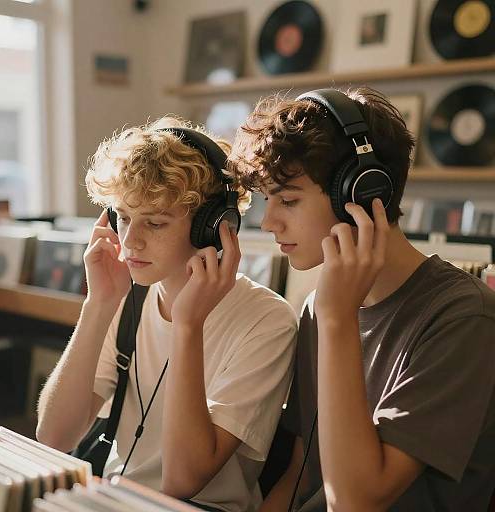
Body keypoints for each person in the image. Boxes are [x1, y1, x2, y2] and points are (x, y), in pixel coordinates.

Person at [228, 87, 495, 511]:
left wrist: (338, 320)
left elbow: (355, 501)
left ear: (362, 193)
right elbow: (301, 474)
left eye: (289, 200)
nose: (269, 221)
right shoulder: (320, 308)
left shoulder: (463, 318)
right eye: (267, 200)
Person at [36, 117, 298, 512]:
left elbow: (182, 481)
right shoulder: (126, 297)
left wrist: (188, 325)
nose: (130, 240)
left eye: (155, 222)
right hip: (115, 500)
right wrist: (99, 305)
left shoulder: (268, 321)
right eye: (123, 217)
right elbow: (54, 436)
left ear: (212, 227)